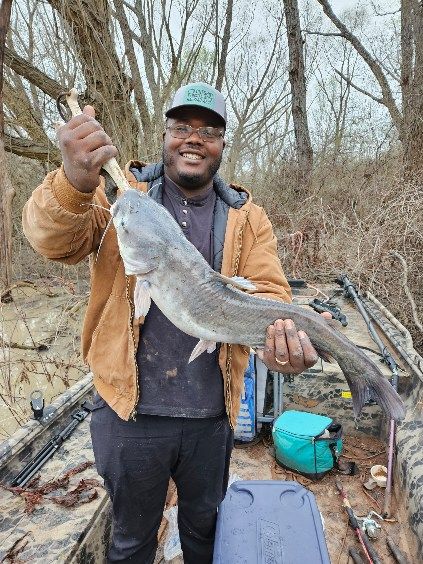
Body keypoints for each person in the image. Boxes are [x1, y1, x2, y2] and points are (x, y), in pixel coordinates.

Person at [22, 82, 322, 563]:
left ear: (222, 144)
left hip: (210, 421)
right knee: (131, 542)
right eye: (182, 126)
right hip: (129, 417)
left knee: (205, 535)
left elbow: (270, 298)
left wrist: (281, 348)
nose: (193, 138)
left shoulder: (248, 218)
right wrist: (75, 181)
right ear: (165, 134)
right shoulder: (125, 200)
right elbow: (51, 240)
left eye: (208, 130)